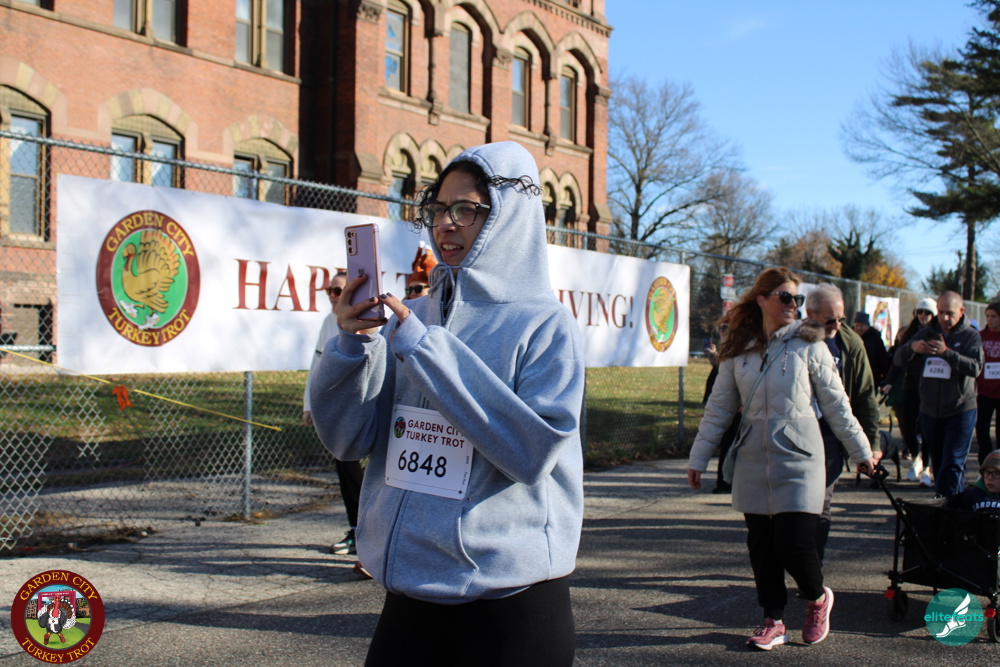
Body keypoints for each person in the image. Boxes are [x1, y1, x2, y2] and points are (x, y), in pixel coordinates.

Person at [309, 141, 585, 666]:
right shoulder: (413, 316)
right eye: (437, 209)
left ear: (509, 215)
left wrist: (426, 351)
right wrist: (350, 346)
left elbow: (532, 454)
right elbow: (347, 439)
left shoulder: (546, 324)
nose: (445, 224)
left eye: (466, 209)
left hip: (511, 598)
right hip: (411, 588)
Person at [687, 267, 875, 651]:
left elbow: (838, 406)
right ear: (762, 300)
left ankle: (817, 597)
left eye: (797, 299)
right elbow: (719, 408)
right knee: (761, 546)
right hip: (753, 458)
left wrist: (862, 452)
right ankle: (773, 621)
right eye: (785, 297)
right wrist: (699, 457)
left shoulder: (810, 345)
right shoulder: (738, 350)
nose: (793, 305)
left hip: (801, 458)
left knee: (793, 543)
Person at [803, 283, 880, 562]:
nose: (836, 325)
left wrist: (872, 444)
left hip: (830, 435)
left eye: (841, 318)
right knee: (793, 507)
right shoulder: (793, 339)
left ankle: (813, 571)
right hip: (796, 432)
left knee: (820, 503)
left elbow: (864, 395)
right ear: (810, 314)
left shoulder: (851, 344)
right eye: (830, 320)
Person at [303, 271, 368, 570]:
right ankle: (357, 530)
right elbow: (317, 363)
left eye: (338, 291)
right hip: (339, 409)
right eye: (330, 290)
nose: (332, 295)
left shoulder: (369, 319)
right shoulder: (329, 321)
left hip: (366, 405)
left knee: (374, 473)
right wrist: (309, 404)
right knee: (345, 465)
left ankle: (374, 534)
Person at [893, 291, 984, 499]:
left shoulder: (971, 336)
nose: (944, 318)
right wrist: (912, 347)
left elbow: (975, 368)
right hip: (930, 410)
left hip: (960, 409)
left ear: (961, 311)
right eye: (941, 312)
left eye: (950, 313)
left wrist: (946, 353)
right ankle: (949, 505)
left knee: (953, 462)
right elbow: (898, 359)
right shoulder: (926, 333)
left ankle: (948, 509)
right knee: (940, 464)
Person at [701, 315, 738, 494]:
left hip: (735, 406)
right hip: (721, 402)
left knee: (731, 443)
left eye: (726, 328)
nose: (722, 332)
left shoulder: (740, 350)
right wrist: (714, 356)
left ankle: (728, 482)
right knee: (725, 442)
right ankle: (724, 481)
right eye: (720, 328)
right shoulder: (728, 349)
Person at [976, 302, 1000, 465]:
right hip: (983, 391)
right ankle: (986, 464)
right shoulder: (980, 336)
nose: (990, 320)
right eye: (987, 316)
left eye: (994, 316)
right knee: (981, 429)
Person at [853, 311, 891, 387]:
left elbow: (883, 360)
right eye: (857, 326)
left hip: (871, 377)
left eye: (861, 326)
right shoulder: (850, 337)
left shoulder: (875, 339)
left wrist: (885, 379)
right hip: (853, 377)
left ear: (867, 326)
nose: (859, 328)